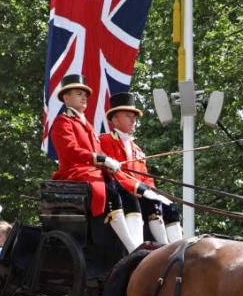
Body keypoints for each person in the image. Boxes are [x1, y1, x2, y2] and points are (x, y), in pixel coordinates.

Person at [49, 75, 169, 252]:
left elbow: (98, 153)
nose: (84, 97)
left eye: (85, 94)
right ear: (66, 98)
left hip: (95, 173)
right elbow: (70, 151)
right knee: (112, 193)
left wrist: (109, 165)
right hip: (76, 173)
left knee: (128, 196)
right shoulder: (62, 122)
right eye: (78, 94)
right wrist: (102, 159)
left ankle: (139, 247)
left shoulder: (88, 125)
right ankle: (132, 248)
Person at [100, 91, 183, 244]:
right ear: (115, 120)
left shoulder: (137, 149)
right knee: (151, 203)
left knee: (169, 206)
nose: (133, 120)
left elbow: (145, 177)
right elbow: (113, 174)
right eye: (128, 116)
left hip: (140, 193)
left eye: (134, 117)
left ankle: (175, 247)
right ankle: (162, 248)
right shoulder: (105, 140)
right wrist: (139, 188)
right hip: (121, 194)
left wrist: (152, 190)